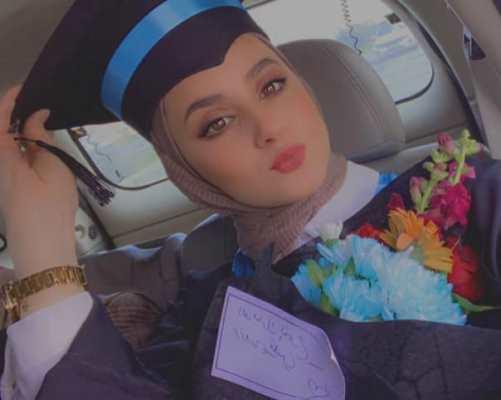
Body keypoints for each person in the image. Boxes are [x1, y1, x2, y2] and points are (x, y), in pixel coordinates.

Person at [1, 0, 501, 399]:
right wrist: (42, 251)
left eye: (271, 85)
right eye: (216, 123)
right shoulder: (203, 311)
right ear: (182, 168)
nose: (268, 127)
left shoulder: (469, 189)